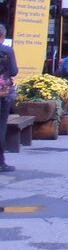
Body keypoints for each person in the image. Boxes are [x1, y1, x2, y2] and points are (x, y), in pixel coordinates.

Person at [0, 25, 16, 172]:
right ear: (3, 36)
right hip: (2, 92)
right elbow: (14, 71)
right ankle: (0, 162)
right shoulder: (7, 51)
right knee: (1, 126)